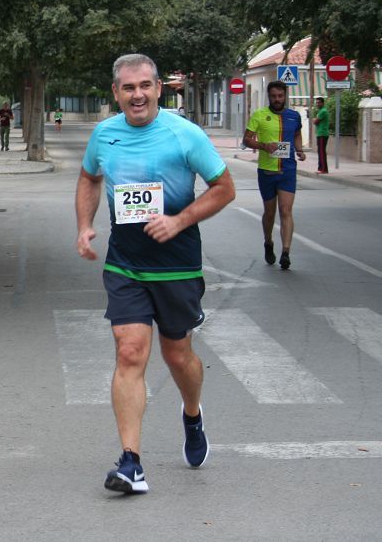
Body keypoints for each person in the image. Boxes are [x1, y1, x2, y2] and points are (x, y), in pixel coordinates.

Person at [76, 53, 235, 495]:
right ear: (116, 92)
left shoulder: (185, 135)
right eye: (128, 88)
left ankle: (192, 411)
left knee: (178, 356)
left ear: (158, 88)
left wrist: (179, 220)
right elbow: (89, 178)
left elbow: (225, 188)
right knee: (129, 353)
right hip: (125, 265)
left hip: (177, 266)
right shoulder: (105, 135)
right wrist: (85, 225)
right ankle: (131, 462)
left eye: (145, 85)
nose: (137, 94)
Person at [243, 80, 306, 270]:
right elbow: (247, 139)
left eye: (280, 96)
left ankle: (286, 252)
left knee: (285, 210)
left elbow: (296, 135)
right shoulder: (259, 116)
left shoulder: (294, 116)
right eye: (273, 96)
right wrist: (263, 146)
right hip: (267, 171)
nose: (277, 99)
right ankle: (268, 242)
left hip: (287, 170)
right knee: (270, 213)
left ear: (285, 96)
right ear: (269, 97)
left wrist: (300, 150)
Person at [312, 96, 330, 174]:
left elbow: (315, 121)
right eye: (316, 103)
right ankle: (321, 168)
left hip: (322, 133)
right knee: (320, 151)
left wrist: (314, 120)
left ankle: (323, 169)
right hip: (320, 134)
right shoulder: (320, 111)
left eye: (319, 102)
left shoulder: (323, 111)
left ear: (323, 103)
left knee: (321, 151)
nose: (317, 104)